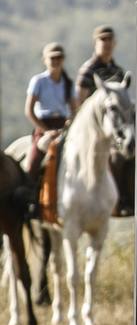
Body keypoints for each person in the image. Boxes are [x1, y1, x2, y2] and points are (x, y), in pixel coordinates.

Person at [76, 26, 133, 215]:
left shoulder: (118, 71)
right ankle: (116, 201)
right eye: (102, 40)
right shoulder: (88, 70)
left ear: (114, 43)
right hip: (93, 128)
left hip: (115, 128)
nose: (106, 43)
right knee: (115, 158)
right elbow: (80, 101)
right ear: (96, 43)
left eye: (109, 40)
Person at [23, 43, 74, 214]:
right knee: (34, 159)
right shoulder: (38, 81)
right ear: (45, 60)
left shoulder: (68, 83)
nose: (56, 61)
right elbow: (29, 111)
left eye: (59, 57)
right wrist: (45, 130)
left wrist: (68, 125)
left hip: (63, 126)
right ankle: (29, 195)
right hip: (43, 125)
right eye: (52, 58)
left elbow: (75, 110)